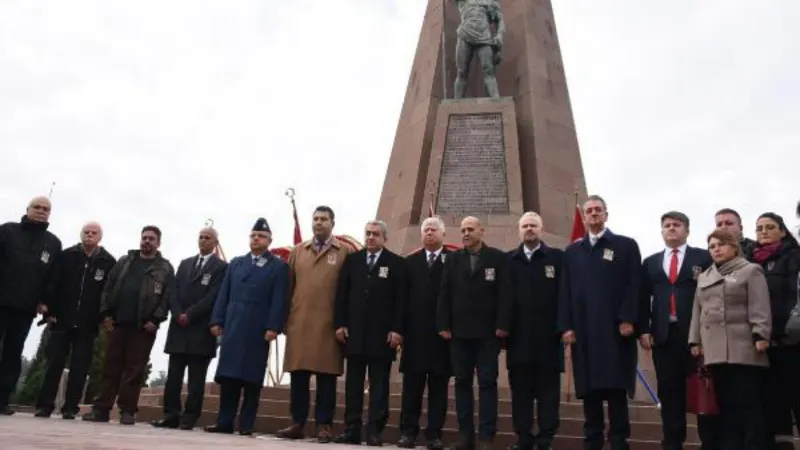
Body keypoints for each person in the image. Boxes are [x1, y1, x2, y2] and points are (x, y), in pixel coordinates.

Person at [557, 195, 641, 450]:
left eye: (598, 210)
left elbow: (634, 285)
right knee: (590, 391)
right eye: (589, 210)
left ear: (606, 214)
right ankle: (592, 441)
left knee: (616, 390)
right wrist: (566, 326)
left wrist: (628, 318)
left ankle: (618, 442)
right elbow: (565, 292)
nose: (593, 214)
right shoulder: (572, 252)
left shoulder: (625, 246)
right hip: (583, 332)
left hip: (615, 331)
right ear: (583, 217)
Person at [638, 212, 719, 450]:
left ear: (687, 230)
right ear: (661, 231)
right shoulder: (650, 262)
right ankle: (672, 444)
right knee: (670, 394)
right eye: (667, 225)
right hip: (663, 338)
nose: (671, 228)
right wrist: (643, 329)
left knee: (703, 392)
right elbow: (643, 298)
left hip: (697, 337)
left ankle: (710, 444)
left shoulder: (703, 257)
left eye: (677, 225)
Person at [82, 225, 175, 425]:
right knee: (110, 367)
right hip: (118, 323)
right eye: (144, 238)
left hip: (143, 326)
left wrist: (155, 319)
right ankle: (101, 409)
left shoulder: (165, 268)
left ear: (158, 243)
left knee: (134, 370)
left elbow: (167, 299)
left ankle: (127, 411)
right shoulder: (125, 261)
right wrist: (106, 314)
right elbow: (108, 287)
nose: (147, 241)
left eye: (151, 238)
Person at [204, 218, 288, 436]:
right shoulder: (236, 263)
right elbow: (224, 294)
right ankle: (224, 421)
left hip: (258, 329)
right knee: (229, 378)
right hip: (233, 325)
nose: (256, 238)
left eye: (261, 236)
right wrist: (217, 320)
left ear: (269, 240)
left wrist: (273, 326)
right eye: (253, 235)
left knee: (252, 379)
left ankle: (246, 424)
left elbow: (279, 299)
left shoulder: (278, 267)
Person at [689, 229, 772, 449]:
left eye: (721, 245)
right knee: (726, 407)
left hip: (744, 347)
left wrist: (761, 333)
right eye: (712, 246)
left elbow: (759, 305)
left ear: (734, 246)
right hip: (714, 350)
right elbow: (698, 311)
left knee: (748, 405)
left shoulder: (750, 271)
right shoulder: (705, 276)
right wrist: (695, 341)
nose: (716, 249)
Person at [276, 206, 351, 443]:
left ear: (333, 223)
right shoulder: (298, 251)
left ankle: (324, 425)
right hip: (299, 321)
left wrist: (344, 322)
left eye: (324, 219)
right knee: (299, 375)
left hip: (330, 324)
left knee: (326, 378)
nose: (318, 223)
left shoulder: (344, 252)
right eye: (315, 219)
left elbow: (348, 291)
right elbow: (288, 288)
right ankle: (297, 422)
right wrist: (284, 320)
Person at [437, 216, 512, 450]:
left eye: (470, 229)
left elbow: (505, 294)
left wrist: (503, 324)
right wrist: (443, 325)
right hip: (459, 334)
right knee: (461, 382)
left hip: (488, 334)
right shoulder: (453, 259)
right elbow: (445, 293)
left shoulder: (498, 258)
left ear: (482, 231)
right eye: (462, 230)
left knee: (488, 383)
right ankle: (465, 437)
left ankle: (487, 438)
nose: (466, 233)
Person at [333, 220, 407, 446]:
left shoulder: (396, 263)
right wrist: (340, 323)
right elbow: (341, 295)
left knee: (379, 386)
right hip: (354, 334)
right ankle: (352, 428)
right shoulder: (353, 261)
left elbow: (401, 301)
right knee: (353, 384)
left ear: (385, 237)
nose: (371, 237)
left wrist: (397, 330)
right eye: (367, 234)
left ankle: (375, 430)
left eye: (375, 234)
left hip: (382, 337)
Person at [34, 222, 116, 420]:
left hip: (88, 323)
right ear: (81, 235)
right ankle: (45, 406)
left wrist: (105, 317)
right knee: (54, 364)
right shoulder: (66, 255)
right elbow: (53, 283)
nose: (89, 235)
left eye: (93, 233)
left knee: (80, 367)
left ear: (100, 237)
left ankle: (71, 407)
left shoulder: (108, 262)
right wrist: (49, 311)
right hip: (61, 319)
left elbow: (109, 293)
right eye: (86, 232)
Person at [151, 227, 227, 430]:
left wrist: (190, 314)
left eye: (208, 238)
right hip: (179, 328)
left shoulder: (221, 267)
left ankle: (189, 418)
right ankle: (171, 415)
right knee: (173, 377)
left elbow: (213, 296)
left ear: (215, 242)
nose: (203, 240)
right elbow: (173, 292)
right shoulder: (184, 264)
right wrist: (177, 313)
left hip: (200, 330)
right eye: (201, 237)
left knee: (196, 380)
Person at [0, 195, 62, 415]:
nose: (41, 211)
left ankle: (2, 399)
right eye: (37, 207)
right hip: (1, 300)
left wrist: (45, 302)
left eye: (46, 208)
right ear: (27, 209)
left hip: (25, 307)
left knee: (13, 352)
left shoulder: (53, 243)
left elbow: (53, 278)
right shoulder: (7, 231)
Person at [506, 212, 563, 450]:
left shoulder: (558, 258)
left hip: (550, 338)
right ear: (519, 230)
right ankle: (524, 438)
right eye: (525, 225)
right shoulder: (509, 260)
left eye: (534, 225)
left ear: (541, 229)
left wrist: (565, 327)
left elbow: (565, 296)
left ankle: (546, 439)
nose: (529, 229)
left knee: (549, 394)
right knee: (521, 393)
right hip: (518, 339)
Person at [397, 216, 452, 450]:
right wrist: (398, 330)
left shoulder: (453, 261)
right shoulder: (409, 263)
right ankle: (408, 432)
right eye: (426, 229)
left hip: (442, 338)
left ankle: (434, 434)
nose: (429, 233)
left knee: (438, 390)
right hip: (414, 336)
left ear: (443, 234)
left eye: (434, 229)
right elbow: (400, 300)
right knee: (412, 388)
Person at [750, 213, 800, 449]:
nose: (764, 232)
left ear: (782, 231)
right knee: (773, 404)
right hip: (762, 344)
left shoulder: (794, 256)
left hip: (791, 341)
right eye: (759, 228)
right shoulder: (751, 261)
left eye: (770, 227)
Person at [453, 0, 506, 99]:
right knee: (461, 71)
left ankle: (496, 100)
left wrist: (499, 36)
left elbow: (500, 21)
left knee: (488, 70)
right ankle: (456, 103)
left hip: (484, 36)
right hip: (465, 34)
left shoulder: (491, 2)